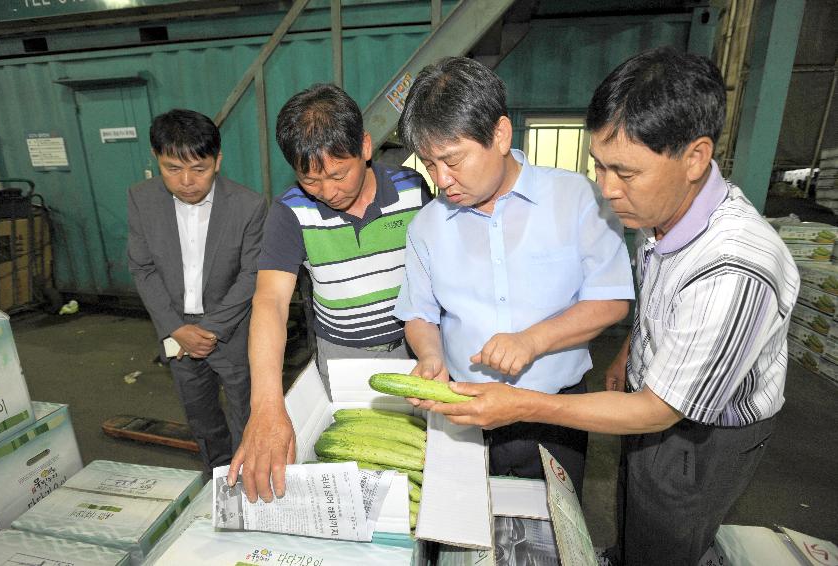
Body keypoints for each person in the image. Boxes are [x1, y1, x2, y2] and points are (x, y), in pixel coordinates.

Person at [429, 47, 801, 565]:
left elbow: (658, 410)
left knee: (667, 539)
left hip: (701, 437)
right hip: (649, 403)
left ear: (694, 157)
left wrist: (523, 405)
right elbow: (663, 297)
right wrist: (633, 345)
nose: (606, 190)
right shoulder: (664, 210)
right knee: (632, 516)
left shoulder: (734, 269)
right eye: (599, 167)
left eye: (624, 172)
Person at [393, 56, 635, 494]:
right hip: (463, 414)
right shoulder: (425, 227)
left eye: (452, 160)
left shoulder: (577, 199)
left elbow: (612, 299)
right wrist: (430, 357)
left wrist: (532, 340)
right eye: (429, 164)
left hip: (555, 414)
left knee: (552, 534)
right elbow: (419, 314)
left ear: (500, 135)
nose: (442, 179)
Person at [228, 83, 431, 502]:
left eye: (339, 173)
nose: (329, 191)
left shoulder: (412, 190)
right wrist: (266, 404)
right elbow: (270, 301)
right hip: (341, 357)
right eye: (311, 179)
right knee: (353, 461)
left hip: (413, 348)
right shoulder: (290, 213)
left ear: (366, 146)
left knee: (414, 457)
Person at [127, 109, 267, 475]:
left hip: (231, 331)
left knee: (245, 414)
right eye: (172, 168)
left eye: (199, 168)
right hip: (176, 332)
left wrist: (211, 330)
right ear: (156, 159)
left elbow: (252, 273)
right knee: (201, 417)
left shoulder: (249, 206)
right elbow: (143, 268)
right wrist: (176, 328)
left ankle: (246, 477)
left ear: (217, 161)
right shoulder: (142, 200)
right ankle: (217, 478)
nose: (187, 181)